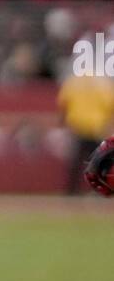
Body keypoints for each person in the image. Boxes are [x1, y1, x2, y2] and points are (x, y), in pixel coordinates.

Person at [57, 68, 114, 196]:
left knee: (76, 163)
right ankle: (100, 190)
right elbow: (110, 106)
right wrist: (108, 126)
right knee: (100, 162)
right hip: (96, 127)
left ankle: (72, 192)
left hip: (78, 126)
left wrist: (65, 124)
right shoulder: (104, 83)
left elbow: (63, 103)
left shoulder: (73, 82)